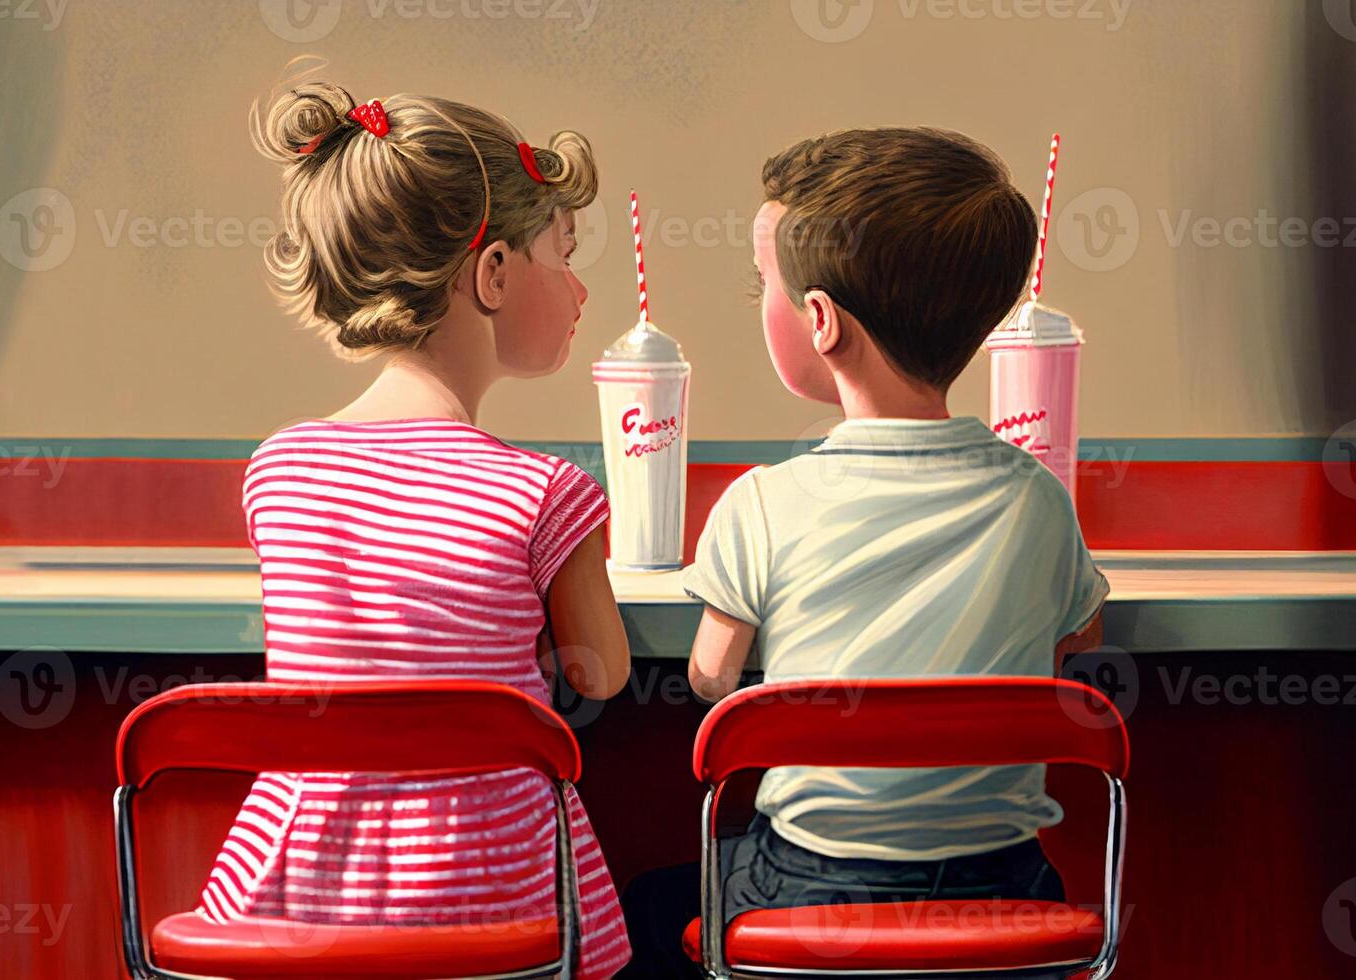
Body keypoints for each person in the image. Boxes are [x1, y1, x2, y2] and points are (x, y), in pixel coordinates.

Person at [621, 127, 1108, 977]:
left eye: (762, 283)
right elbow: (1078, 646)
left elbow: (708, 680)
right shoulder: (1038, 501)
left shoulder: (763, 503)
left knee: (645, 908)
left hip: (809, 891)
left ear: (820, 322)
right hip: (1008, 891)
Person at [197, 73, 632, 978]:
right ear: (495, 272)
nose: (581, 287)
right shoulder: (542, 490)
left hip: (302, 893)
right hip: (490, 897)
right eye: (565, 250)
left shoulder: (278, 469)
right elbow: (602, 669)